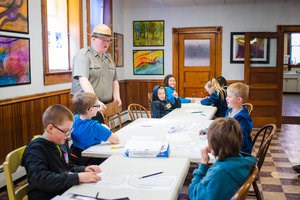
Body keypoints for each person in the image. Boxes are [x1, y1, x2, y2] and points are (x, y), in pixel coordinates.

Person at [22, 104, 101, 199]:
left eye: (70, 131)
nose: (68, 135)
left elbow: (67, 167)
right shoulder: (35, 150)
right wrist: (77, 177)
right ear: (50, 128)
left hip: (63, 191)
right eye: (65, 131)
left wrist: (83, 169)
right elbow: (41, 179)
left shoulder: (61, 142)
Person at [189, 118, 257, 200]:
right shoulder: (241, 160)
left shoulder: (220, 172)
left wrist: (203, 164)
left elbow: (194, 195)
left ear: (215, 144)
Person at [71, 24, 121, 123]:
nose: (106, 43)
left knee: (102, 135)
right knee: (89, 136)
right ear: (93, 38)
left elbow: (114, 80)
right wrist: (95, 101)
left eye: (108, 40)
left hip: (104, 104)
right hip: (86, 106)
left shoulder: (109, 57)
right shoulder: (83, 55)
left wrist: (117, 97)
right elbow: (83, 80)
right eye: (103, 40)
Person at [70, 92, 119, 165]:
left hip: (75, 156)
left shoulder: (74, 119)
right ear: (90, 109)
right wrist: (107, 128)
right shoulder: (95, 126)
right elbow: (116, 140)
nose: (99, 109)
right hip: (92, 159)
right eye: (97, 106)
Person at [226, 82, 254, 155]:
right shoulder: (229, 111)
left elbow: (242, 142)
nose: (226, 98)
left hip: (239, 153)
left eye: (229, 96)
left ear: (239, 100)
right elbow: (222, 127)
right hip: (228, 146)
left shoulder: (242, 118)